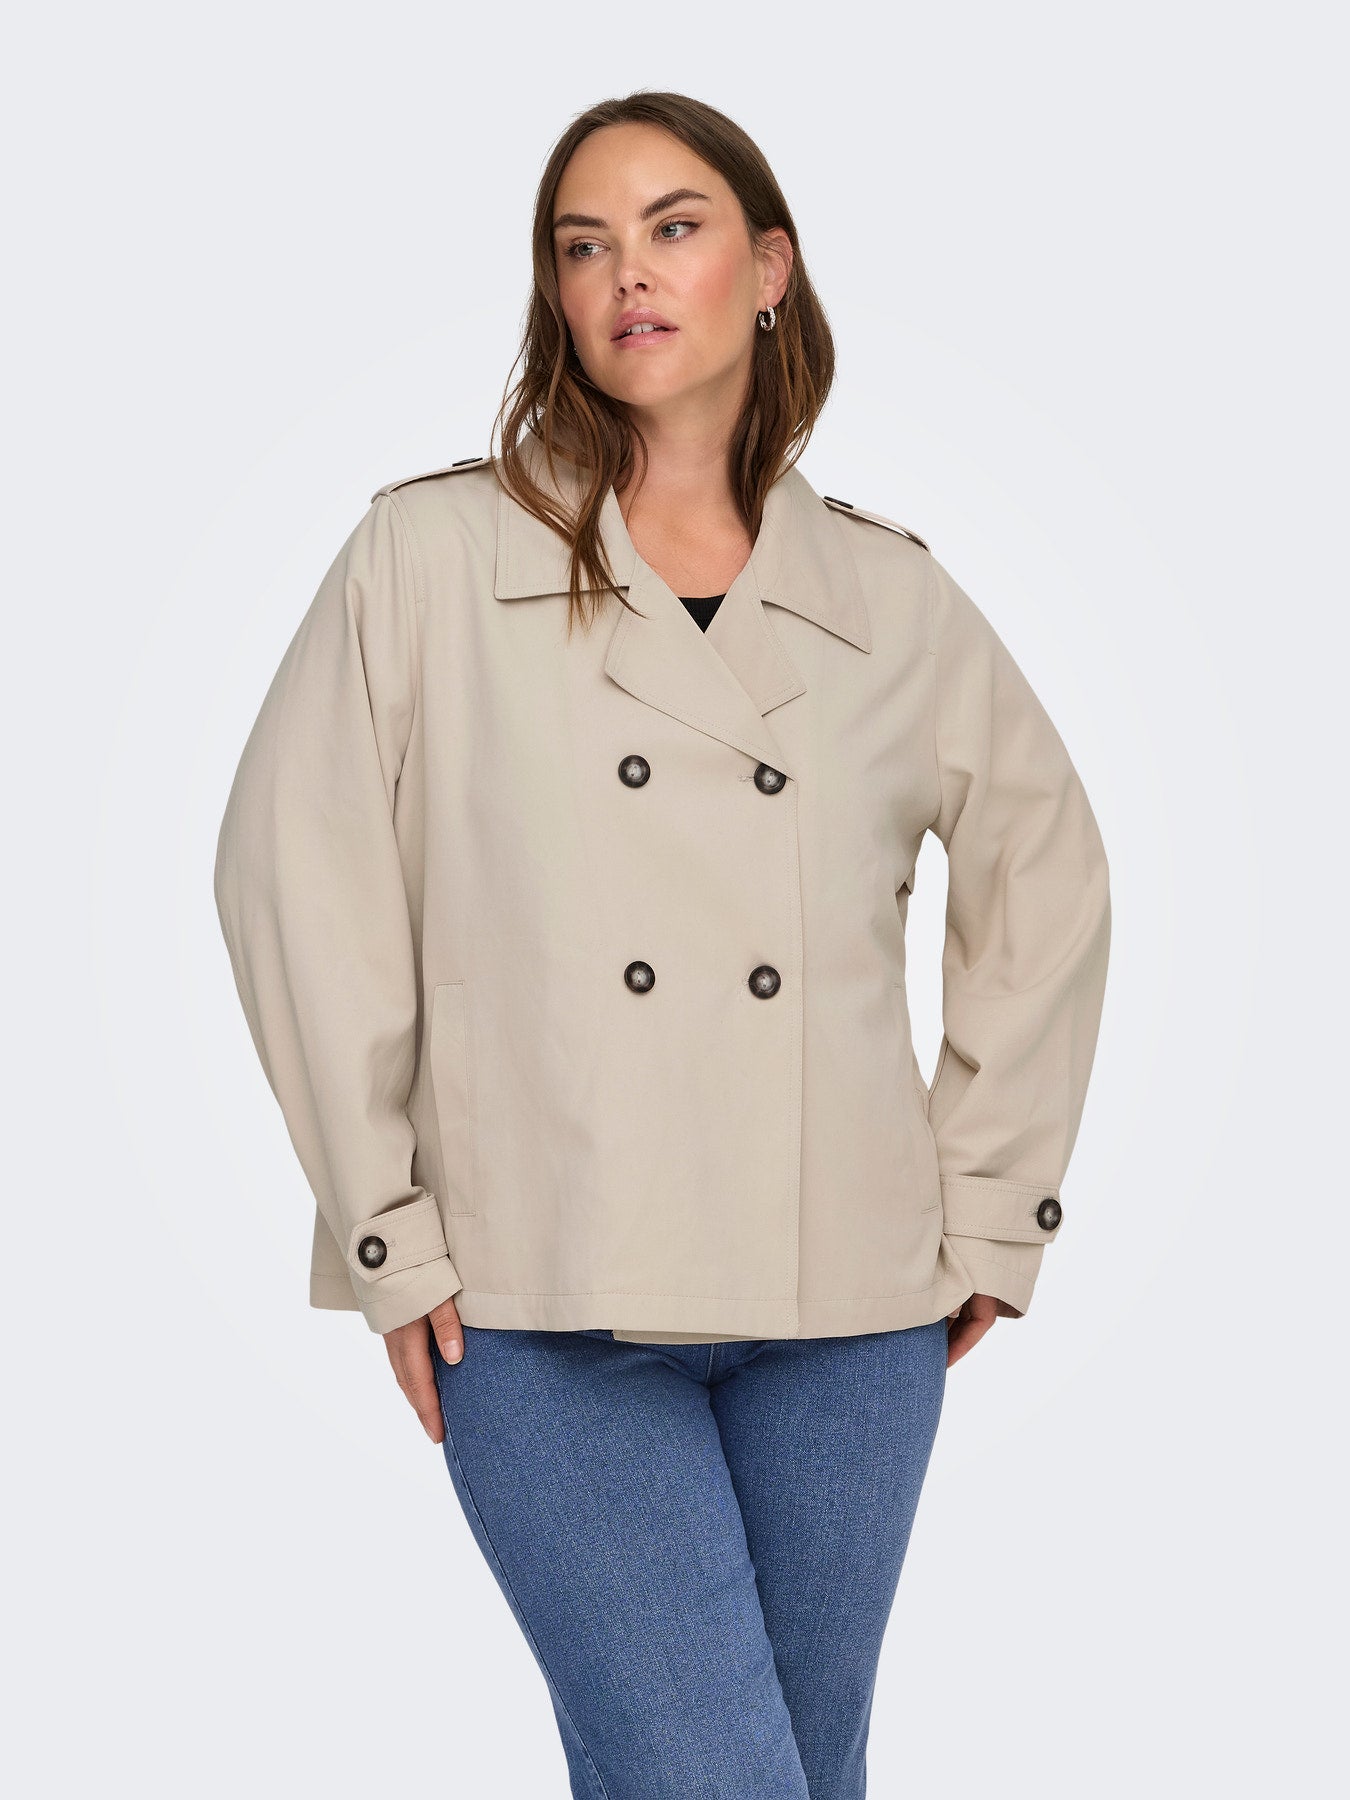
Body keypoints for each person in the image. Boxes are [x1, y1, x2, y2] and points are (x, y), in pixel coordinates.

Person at [213, 89, 1111, 1800]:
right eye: (583, 244)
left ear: (768, 269)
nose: (625, 271)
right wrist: (389, 1231)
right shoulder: (430, 557)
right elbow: (290, 876)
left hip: (849, 1303)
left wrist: (991, 1202)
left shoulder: (888, 596)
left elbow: (1047, 870)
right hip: (538, 1297)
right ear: (554, 295)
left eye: (672, 227)